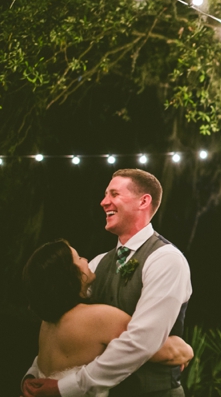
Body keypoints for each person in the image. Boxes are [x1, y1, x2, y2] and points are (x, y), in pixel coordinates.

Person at [23, 169, 192, 397]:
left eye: (114, 194)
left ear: (143, 201)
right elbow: (59, 318)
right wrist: (37, 374)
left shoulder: (165, 259)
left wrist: (66, 387)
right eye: (105, 195)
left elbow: (142, 341)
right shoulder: (96, 264)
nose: (104, 202)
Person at [21, 240, 193, 397]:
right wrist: (186, 350)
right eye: (78, 258)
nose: (86, 260)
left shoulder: (48, 323)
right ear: (69, 274)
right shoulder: (98, 317)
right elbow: (160, 349)